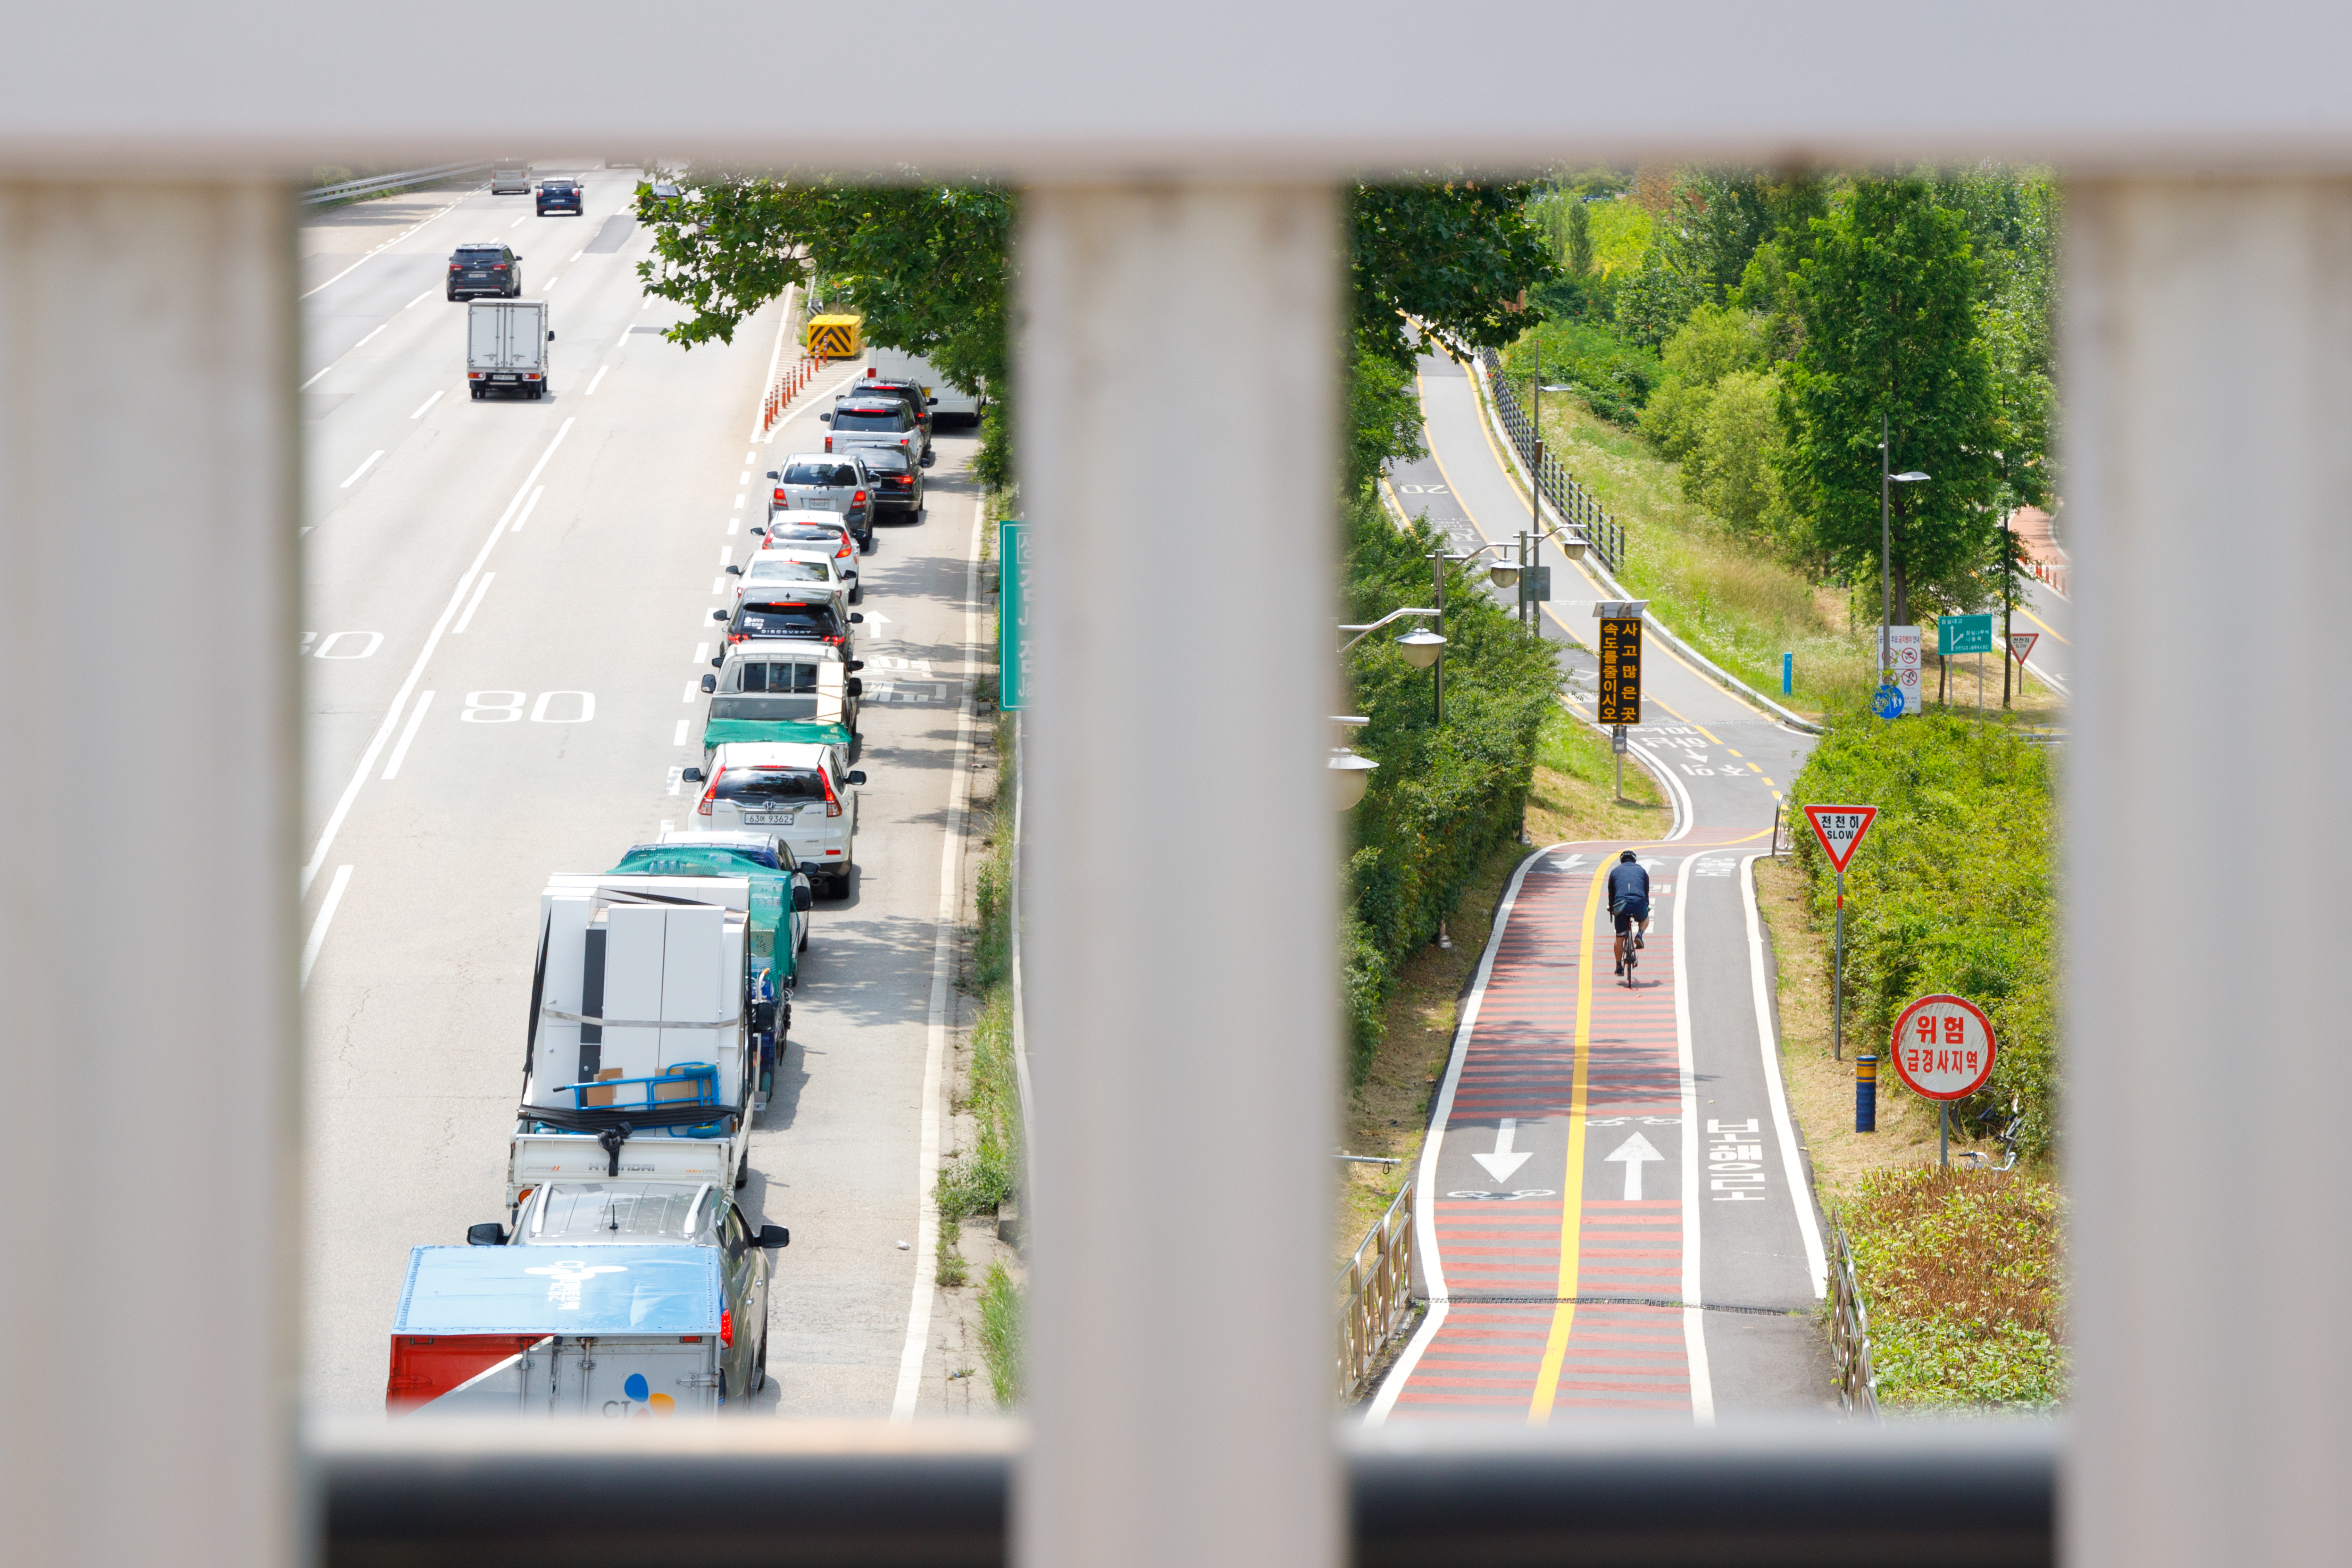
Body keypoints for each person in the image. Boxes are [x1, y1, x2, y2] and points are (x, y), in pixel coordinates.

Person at [1607, 849, 1651, 976]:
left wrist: (1612, 907)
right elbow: (1646, 892)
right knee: (1645, 918)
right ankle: (1639, 935)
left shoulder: (1614, 872)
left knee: (1619, 937)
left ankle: (1619, 967)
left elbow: (1612, 894)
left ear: (1621, 861)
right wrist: (1647, 905)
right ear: (1634, 861)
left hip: (1621, 907)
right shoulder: (1642, 871)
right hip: (1639, 904)